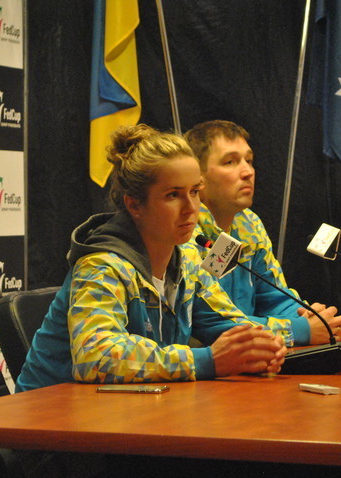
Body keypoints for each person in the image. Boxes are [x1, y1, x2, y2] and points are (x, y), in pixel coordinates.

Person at [16, 124, 293, 393]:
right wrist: (207, 360)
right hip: (48, 417)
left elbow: (228, 322)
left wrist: (262, 345)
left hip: (124, 411)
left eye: (195, 192)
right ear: (134, 204)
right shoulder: (102, 264)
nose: (191, 208)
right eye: (173, 195)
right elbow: (96, 356)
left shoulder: (187, 258)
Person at [183, 120, 341, 345]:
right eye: (230, 162)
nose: (247, 172)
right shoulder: (185, 229)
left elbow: (274, 296)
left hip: (252, 352)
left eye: (249, 161)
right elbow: (213, 322)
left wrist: (308, 317)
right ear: (197, 177)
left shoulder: (248, 223)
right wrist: (301, 330)